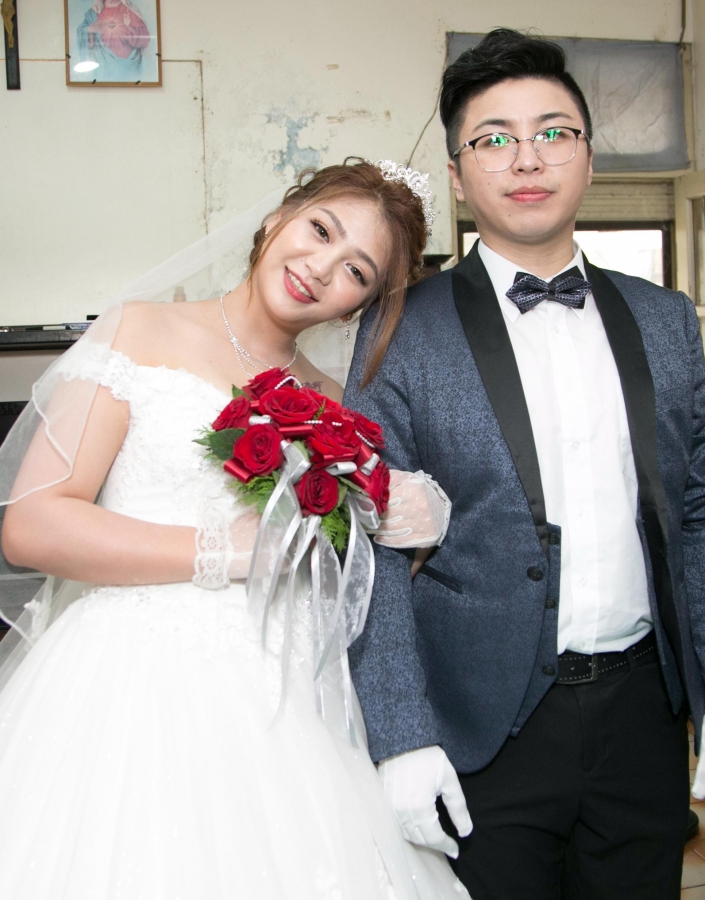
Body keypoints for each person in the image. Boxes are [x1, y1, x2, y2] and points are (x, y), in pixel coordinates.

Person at [0, 159, 469, 899]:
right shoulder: (140, 329)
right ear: (278, 217)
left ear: (358, 306)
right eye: (320, 230)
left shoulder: (332, 406)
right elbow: (32, 524)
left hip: (289, 697)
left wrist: (410, 520)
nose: (321, 269)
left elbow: (345, 573)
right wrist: (228, 551)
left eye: (356, 271)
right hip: (129, 681)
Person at [344, 28, 704, 899]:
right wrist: (399, 735)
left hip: (645, 716)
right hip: (479, 729)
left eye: (553, 132)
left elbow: (694, 518)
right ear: (458, 175)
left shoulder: (666, 319)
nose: (526, 158)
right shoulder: (399, 327)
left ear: (588, 157)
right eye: (493, 139)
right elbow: (368, 543)